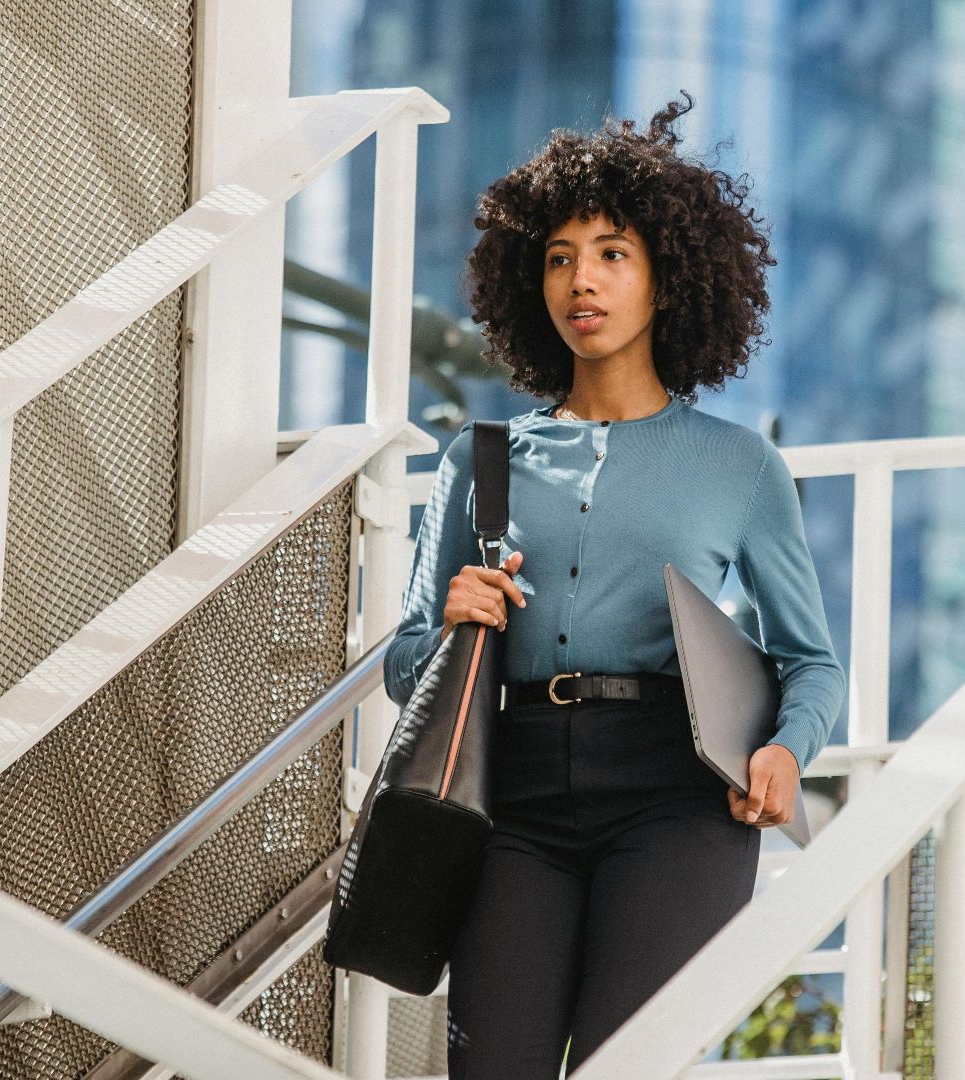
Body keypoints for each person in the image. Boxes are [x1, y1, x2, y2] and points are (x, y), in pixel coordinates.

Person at [381, 91, 846, 1079]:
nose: (579, 279)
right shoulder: (482, 459)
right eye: (558, 257)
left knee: (622, 1067)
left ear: (667, 283)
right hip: (509, 797)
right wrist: (451, 619)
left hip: (674, 792)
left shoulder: (738, 467)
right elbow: (404, 665)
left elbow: (810, 661)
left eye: (610, 254)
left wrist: (785, 754)